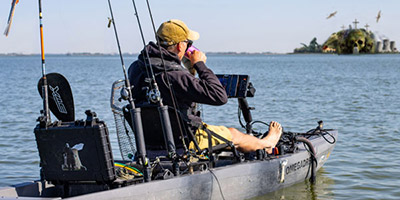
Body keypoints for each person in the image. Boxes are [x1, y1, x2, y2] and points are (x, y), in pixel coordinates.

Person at [128, 19, 282, 154]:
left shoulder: (136, 68)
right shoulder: (176, 75)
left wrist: (187, 69)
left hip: (150, 140)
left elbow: (174, 88)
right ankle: (267, 144)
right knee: (234, 134)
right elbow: (219, 97)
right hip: (186, 140)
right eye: (189, 43)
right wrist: (199, 64)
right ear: (181, 46)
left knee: (218, 135)